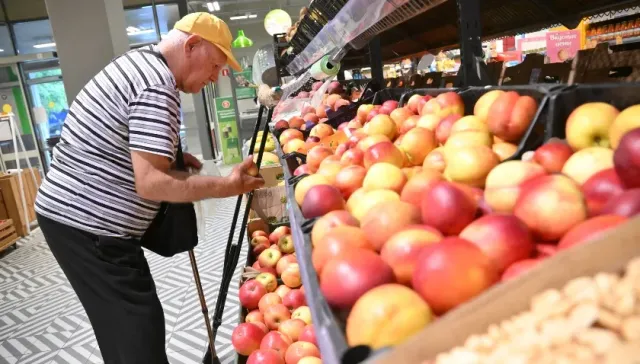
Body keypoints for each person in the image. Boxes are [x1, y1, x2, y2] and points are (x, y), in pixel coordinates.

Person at [34, 13, 264, 364]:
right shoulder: (156, 84)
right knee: (137, 332)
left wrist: (167, 153)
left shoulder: (139, 62)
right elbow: (151, 183)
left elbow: (127, 142)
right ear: (192, 45)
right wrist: (225, 186)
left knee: (128, 325)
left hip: (76, 219)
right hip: (88, 225)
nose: (216, 77)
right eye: (215, 65)